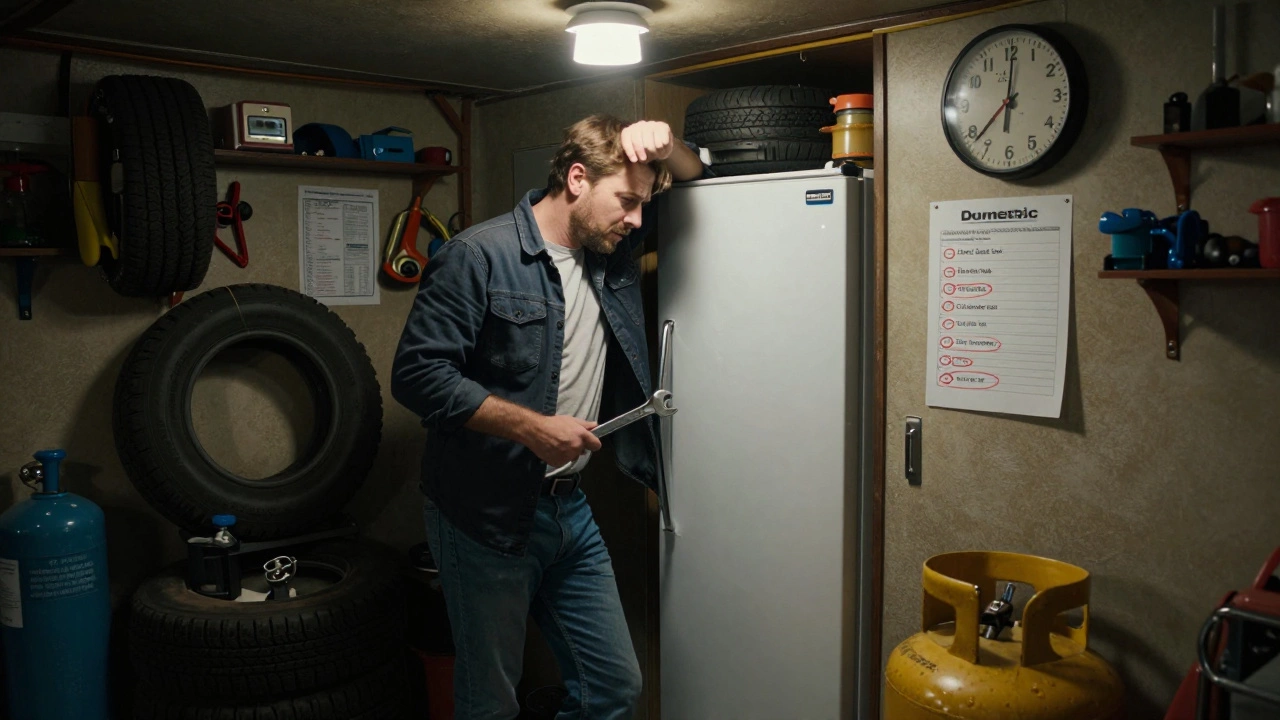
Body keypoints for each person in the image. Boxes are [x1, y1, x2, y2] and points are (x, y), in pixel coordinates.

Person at [390, 114, 707, 719]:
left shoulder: (610, 250)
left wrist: (669, 144)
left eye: (643, 205)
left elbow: (697, 178)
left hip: (569, 510)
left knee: (614, 688)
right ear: (577, 178)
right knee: (490, 702)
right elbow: (417, 375)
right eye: (628, 201)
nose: (637, 220)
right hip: (482, 513)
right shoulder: (477, 256)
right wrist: (532, 428)